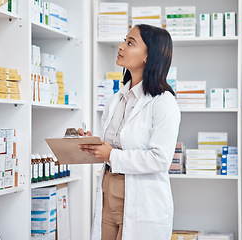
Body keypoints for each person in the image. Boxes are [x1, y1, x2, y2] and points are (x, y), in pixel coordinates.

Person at [79, 24, 181, 240]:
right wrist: (90, 143)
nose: (121, 46)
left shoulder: (163, 102)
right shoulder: (116, 99)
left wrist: (111, 155)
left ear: (148, 56)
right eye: (124, 40)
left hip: (140, 201)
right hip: (108, 196)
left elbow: (161, 159)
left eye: (130, 43)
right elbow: (111, 148)